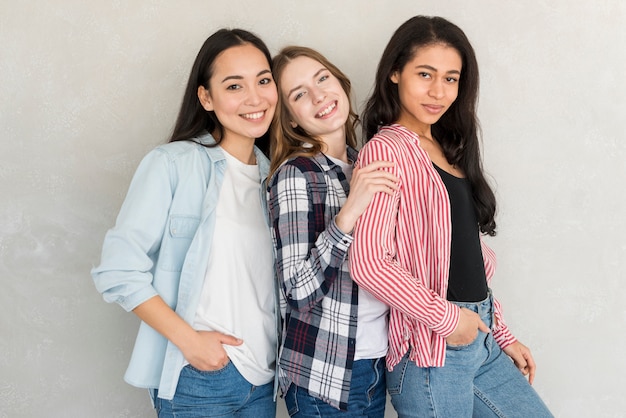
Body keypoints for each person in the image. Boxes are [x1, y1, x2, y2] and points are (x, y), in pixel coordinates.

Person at [349, 16, 553, 417]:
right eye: (425, 74)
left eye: (451, 78)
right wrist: (446, 319)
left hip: (479, 337)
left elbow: (466, 260)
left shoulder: (447, 147)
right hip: (431, 352)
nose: (438, 91)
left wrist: (501, 333)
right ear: (394, 72)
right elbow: (369, 263)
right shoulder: (386, 151)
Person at [91, 28, 278, 417]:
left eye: (263, 80)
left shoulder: (277, 178)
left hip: (264, 380)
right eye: (234, 86)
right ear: (206, 97)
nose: (255, 98)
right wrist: (188, 341)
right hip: (198, 377)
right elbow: (118, 268)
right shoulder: (173, 164)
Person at [266, 46, 398, 416]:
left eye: (322, 78)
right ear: (291, 120)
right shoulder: (295, 175)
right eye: (299, 94)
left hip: (378, 363)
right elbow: (297, 291)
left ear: (339, 81)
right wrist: (349, 210)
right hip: (325, 374)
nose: (319, 95)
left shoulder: (365, 161)